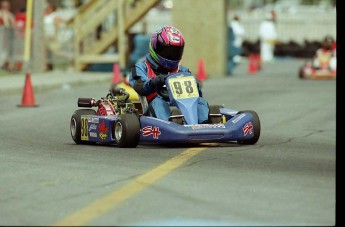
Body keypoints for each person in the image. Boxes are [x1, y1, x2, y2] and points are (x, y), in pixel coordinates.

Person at [129, 25, 210, 123]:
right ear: (155, 47)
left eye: (175, 52)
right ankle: (171, 126)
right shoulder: (141, 67)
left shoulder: (183, 71)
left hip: (183, 109)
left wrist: (195, 84)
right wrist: (156, 81)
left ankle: (204, 126)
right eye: (167, 51)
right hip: (152, 114)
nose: (171, 55)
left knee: (201, 102)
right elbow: (139, 86)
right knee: (158, 103)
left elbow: (197, 95)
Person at [0, 0, 15, 71]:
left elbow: (13, 25)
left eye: (7, 6)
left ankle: (8, 66)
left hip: (8, 37)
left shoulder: (10, 15)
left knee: (8, 52)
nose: (5, 8)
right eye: (4, 6)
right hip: (1, 36)